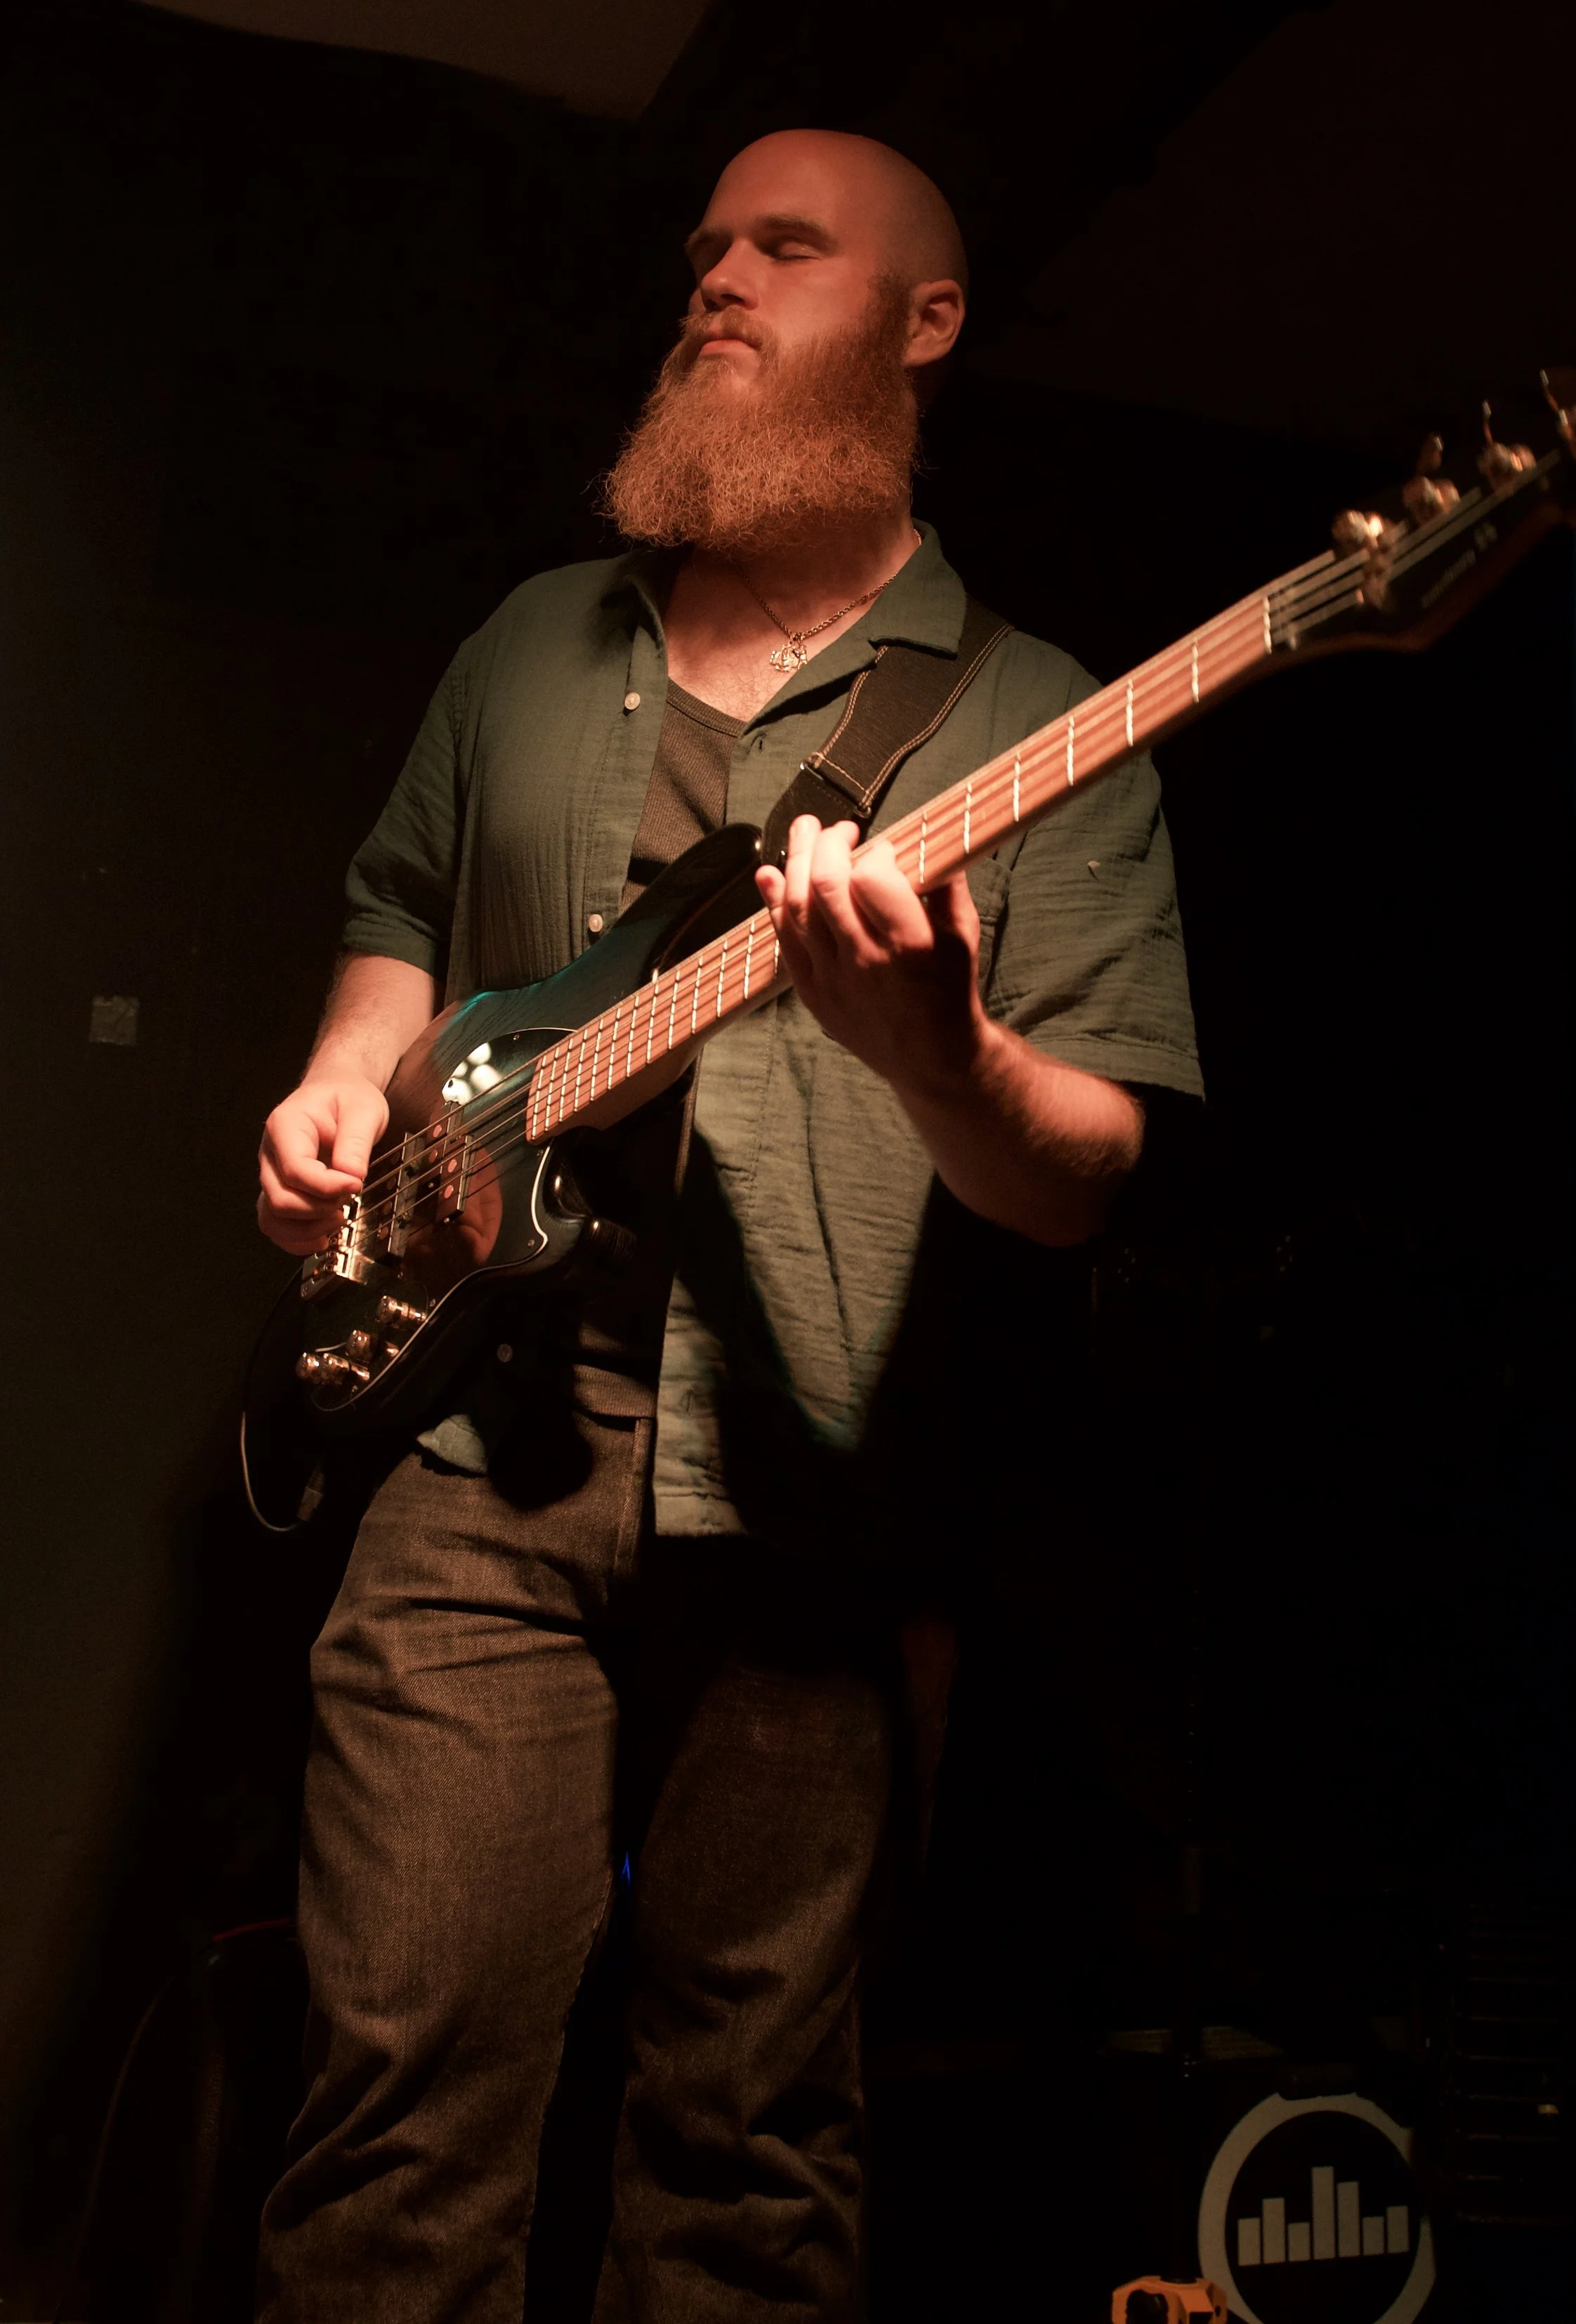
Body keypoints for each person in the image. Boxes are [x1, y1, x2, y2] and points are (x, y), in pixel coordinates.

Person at [254, 129, 1202, 2323]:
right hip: (472, 1453)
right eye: (705, 249)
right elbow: (399, 908)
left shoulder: (1039, 719)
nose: (717, 280)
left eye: (785, 247)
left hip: (812, 1495)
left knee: (748, 2147)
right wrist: (339, 1078)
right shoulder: (529, 639)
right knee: (393, 2100)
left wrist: (943, 1053)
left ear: (923, 322)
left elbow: (1077, 1174)